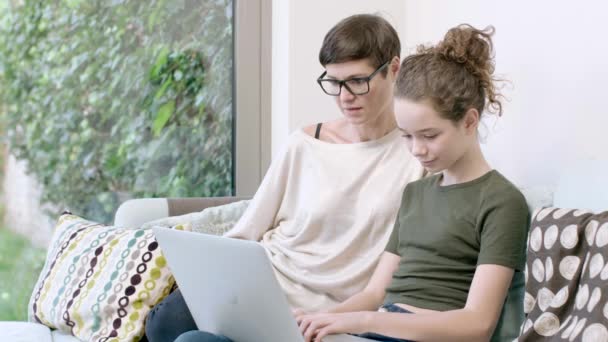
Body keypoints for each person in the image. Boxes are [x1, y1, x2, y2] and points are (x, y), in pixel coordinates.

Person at [144, 13, 425, 342]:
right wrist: (216, 281)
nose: (344, 96)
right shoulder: (304, 144)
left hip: (333, 309)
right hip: (264, 290)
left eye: (357, 81)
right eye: (333, 82)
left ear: (394, 69)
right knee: (163, 323)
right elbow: (247, 232)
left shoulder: (419, 153)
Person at [296, 24, 530, 342]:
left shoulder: (501, 201)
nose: (417, 150)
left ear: (470, 121)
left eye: (429, 135)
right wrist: (320, 319)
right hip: (379, 328)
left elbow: (477, 325)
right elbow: (375, 292)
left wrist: (367, 321)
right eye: (406, 136)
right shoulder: (415, 192)